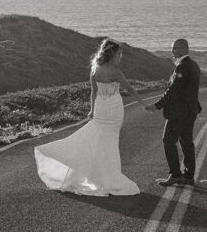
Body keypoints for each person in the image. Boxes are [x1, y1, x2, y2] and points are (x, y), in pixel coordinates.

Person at [34, 38, 155, 196]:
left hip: (100, 108)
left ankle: (99, 177)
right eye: (119, 54)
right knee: (111, 143)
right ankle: (111, 178)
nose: (120, 57)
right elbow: (131, 90)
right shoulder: (116, 72)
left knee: (100, 143)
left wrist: (91, 110)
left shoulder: (95, 69)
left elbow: (94, 92)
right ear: (111, 54)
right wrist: (144, 105)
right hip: (114, 110)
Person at [153, 38, 203, 187]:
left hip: (179, 113)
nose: (172, 51)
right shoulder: (193, 65)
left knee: (168, 140)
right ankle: (189, 176)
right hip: (190, 112)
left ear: (183, 49)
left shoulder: (182, 67)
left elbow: (173, 91)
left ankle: (175, 175)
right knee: (186, 142)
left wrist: (157, 105)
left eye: (175, 48)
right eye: (172, 48)